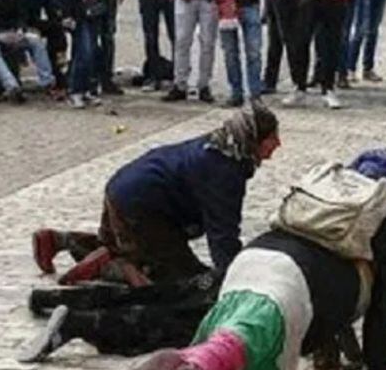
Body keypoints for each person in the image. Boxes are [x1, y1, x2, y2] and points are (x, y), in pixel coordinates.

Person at [103, 148, 386, 370]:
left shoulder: (327, 195)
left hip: (252, 260)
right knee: (240, 347)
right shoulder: (384, 218)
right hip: (292, 285)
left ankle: (177, 364)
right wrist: (381, 366)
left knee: (234, 335)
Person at [26, 104, 280, 289]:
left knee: (126, 243)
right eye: (272, 138)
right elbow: (222, 231)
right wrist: (235, 278)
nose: (278, 144)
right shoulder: (224, 170)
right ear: (253, 139)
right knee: (183, 279)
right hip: (144, 207)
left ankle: (59, 240)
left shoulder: (220, 144)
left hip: (122, 188)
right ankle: (114, 267)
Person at [19, 0, 66, 96]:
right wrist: (25, 27)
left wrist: (60, 22)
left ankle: (58, 68)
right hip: (17, 25)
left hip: (32, 22)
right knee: (38, 37)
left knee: (57, 30)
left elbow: (51, 12)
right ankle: (51, 77)